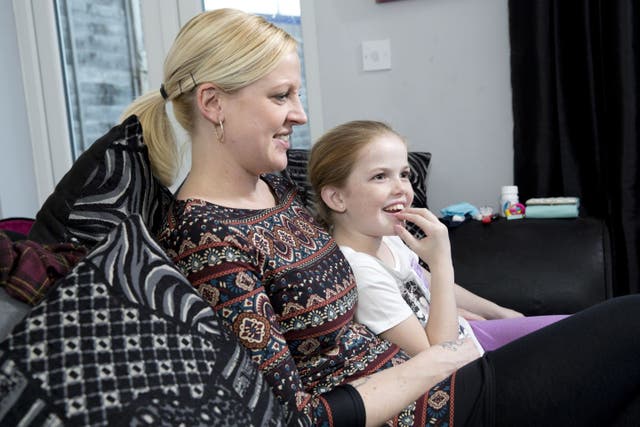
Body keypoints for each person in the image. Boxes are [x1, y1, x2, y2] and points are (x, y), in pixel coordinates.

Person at [119, 8, 640, 426]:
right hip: (444, 405)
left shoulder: (273, 188)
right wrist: (439, 359)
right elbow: (296, 415)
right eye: (281, 96)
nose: (300, 114)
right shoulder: (205, 239)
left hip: (450, 379)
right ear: (213, 103)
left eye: (296, 93)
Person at [307, 120, 568, 353]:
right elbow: (440, 359)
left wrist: (501, 313)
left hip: (473, 337)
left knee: (585, 328)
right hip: (467, 369)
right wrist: (442, 262)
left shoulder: (389, 240)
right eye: (380, 176)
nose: (401, 188)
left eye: (404, 174)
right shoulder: (361, 270)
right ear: (337, 198)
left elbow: (426, 283)